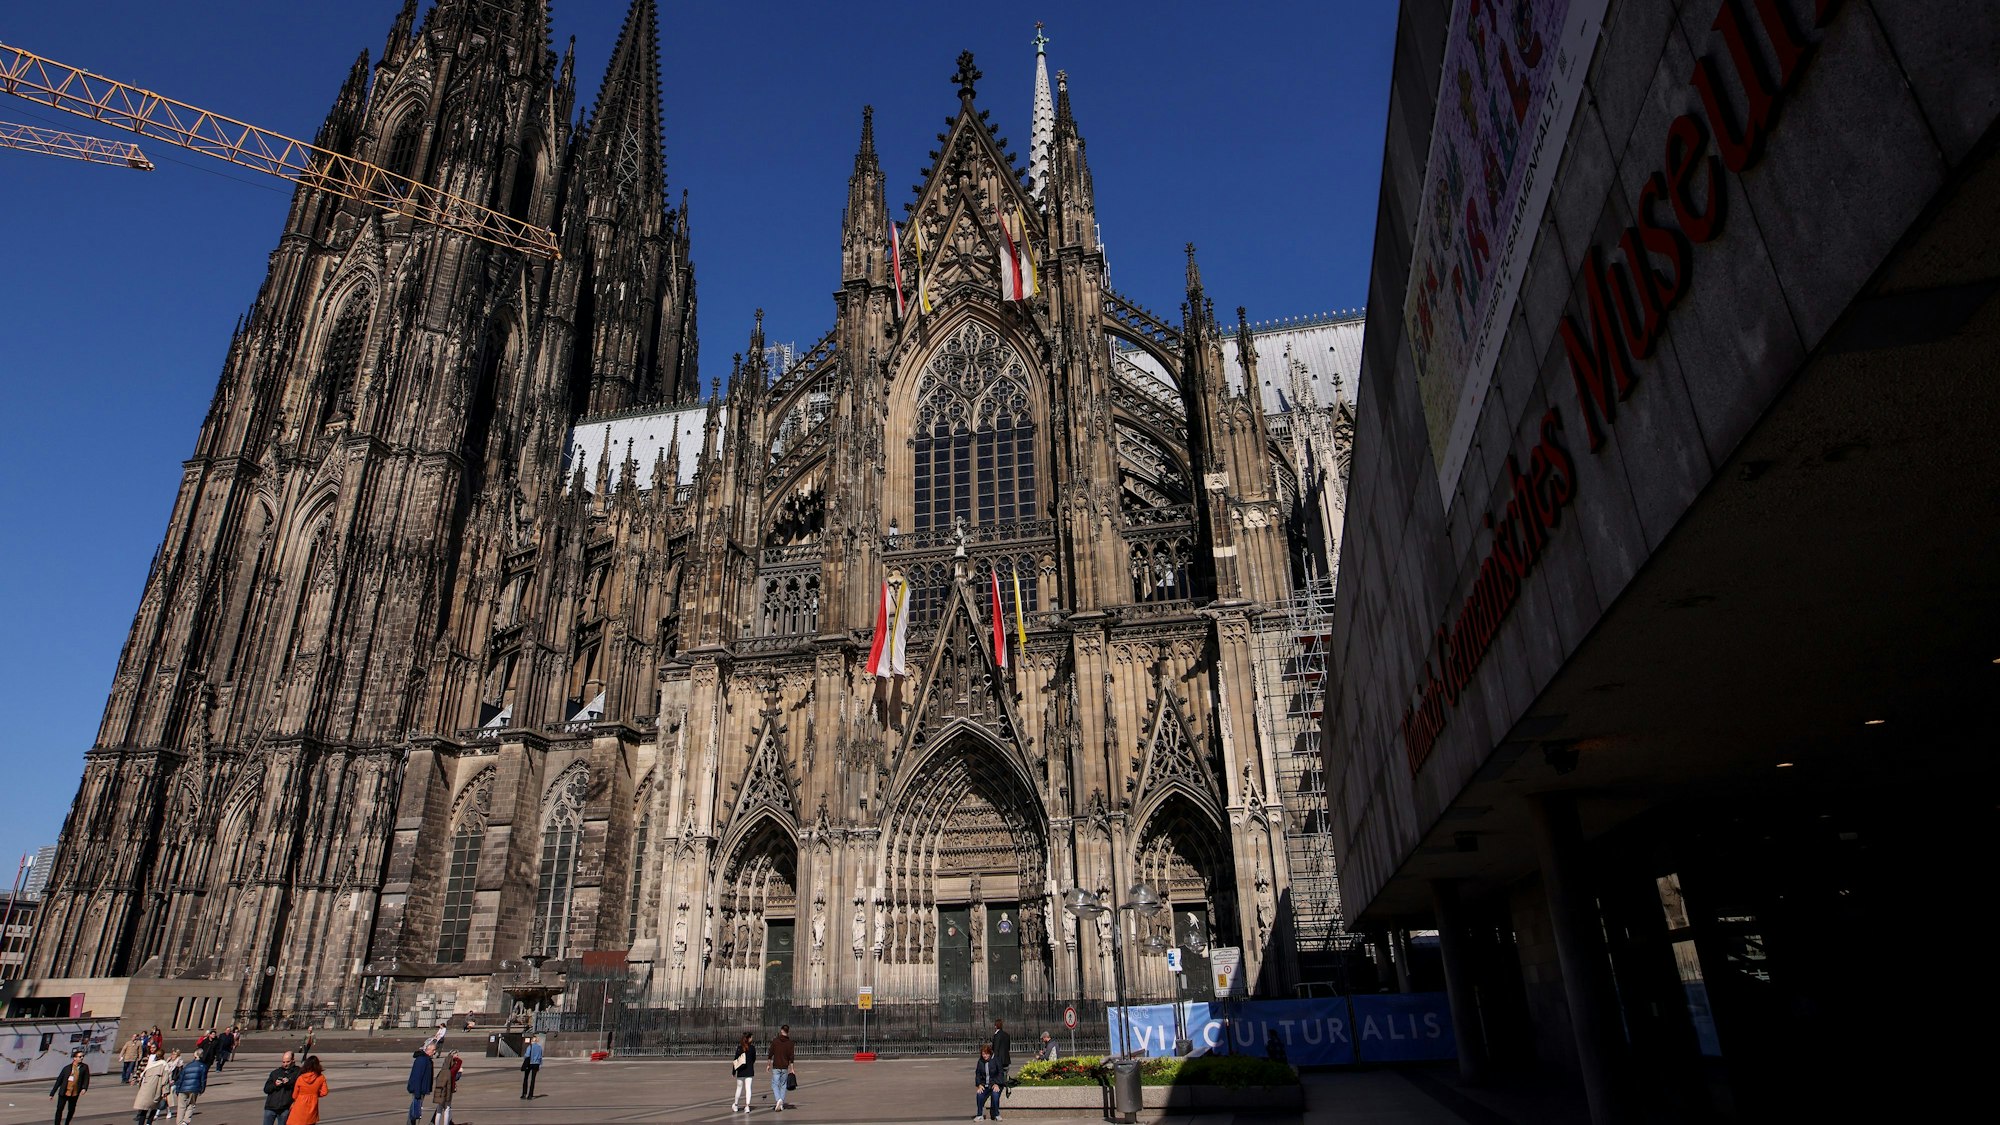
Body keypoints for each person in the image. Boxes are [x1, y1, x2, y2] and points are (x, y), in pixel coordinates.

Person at [49, 1048, 91, 1125]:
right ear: (74, 1058)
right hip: (64, 1092)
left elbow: (86, 1079)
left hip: (74, 1092)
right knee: (59, 1109)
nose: (81, 1058)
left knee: (71, 1110)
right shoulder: (67, 1068)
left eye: (82, 1056)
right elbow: (59, 1081)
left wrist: (84, 1088)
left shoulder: (84, 1067)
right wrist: (52, 1093)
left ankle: (67, 1123)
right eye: (80, 1056)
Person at [131, 1051, 171, 1125]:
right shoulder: (164, 1064)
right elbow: (165, 1080)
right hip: (156, 1089)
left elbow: (142, 1075)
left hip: (145, 1089)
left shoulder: (150, 1064)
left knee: (144, 1108)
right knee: (154, 1107)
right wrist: (165, 1092)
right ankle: (149, 1123)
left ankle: (141, 1123)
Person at [262, 1051, 302, 1125]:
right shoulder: (275, 1072)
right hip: (271, 1107)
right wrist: (275, 1085)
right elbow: (266, 1089)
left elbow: (300, 1088)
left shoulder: (298, 1072)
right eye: (283, 1062)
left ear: (293, 1060)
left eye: (287, 1062)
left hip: (285, 1108)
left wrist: (289, 1083)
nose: (285, 1064)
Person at [285, 1056, 328, 1125]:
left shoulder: (300, 1078)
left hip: (300, 1104)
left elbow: (294, 1095)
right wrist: (315, 1094)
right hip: (312, 1105)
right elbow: (324, 1092)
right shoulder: (320, 1077)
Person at [173, 1049, 208, 1125]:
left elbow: (181, 1078)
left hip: (183, 1088)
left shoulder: (188, 1066)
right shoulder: (203, 1066)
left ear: (195, 1055)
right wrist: (202, 1089)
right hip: (194, 1088)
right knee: (191, 1104)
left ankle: (179, 1123)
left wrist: (178, 1089)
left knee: (181, 1107)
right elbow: (203, 1080)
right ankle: (185, 1121)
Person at [404, 1045, 435, 1125]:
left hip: (421, 1089)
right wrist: (417, 1092)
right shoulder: (422, 1060)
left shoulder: (427, 1060)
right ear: (428, 1050)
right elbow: (417, 1077)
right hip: (418, 1089)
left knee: (416, 1109)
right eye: (433, 1050)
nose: (434, 1052)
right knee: (415, 1109)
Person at [974, 1043, 1004, 1122]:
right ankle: (979, 1115)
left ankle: (997, 1114)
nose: (985, 1056)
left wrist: (997, 1084)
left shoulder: (996, 1060)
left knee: (995, 1094)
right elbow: (978, 1074)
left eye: (986, 1054)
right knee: (979, 1095)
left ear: (990, 1053)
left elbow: (1000, 1073)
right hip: (985, 1085)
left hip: (995, 1084)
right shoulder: (980, 1061)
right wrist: (979, 1085)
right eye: (983, 1054)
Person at [769, 1024, 796, 1112]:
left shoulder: (775, 1041)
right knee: (783, 1085)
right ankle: (781, 1103)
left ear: (781, 1031)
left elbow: (770, 1053)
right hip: (785, 1066)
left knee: (774, 1084)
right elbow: (791, 1057)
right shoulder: (790, 1043)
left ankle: (778, 1099)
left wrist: (768, 1064)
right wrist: (792, 1068)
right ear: (788, 1032)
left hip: (776, 1066)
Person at [430, 1050, 462, 1125]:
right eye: (457, 1055)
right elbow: (460, 1062)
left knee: (439, 1109)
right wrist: (460, 1072)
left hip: (440, 1091)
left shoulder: (443, 1069)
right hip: (447, 1091)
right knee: (447, 1109)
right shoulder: (452, 1070)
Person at [729, 1032, 756, 1113]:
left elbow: (735, 1060)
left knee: (739, 1088)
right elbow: (754, 1059)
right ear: (749, 1038)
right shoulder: (752, 1048)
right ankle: (747, 1106)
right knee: (748, 1088)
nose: (752, 1039)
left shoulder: (739, 1048)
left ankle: (736, 1105)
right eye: (751, 1037)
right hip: (749, 1070)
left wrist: (733, 1071)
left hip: (741, 1071)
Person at [519, 1034, 543, 1099]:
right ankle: (530, 1095)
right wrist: (540, 1065)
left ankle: (524, 1094)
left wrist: (525, 1060)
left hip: (529, 1063)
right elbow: (540, 1057)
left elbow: (527, 1055)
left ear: (532, 1040)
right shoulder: (540, 1047)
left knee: (526, 1078)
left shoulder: (530, 1046)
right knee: (533, 1080)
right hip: (536, 1064)